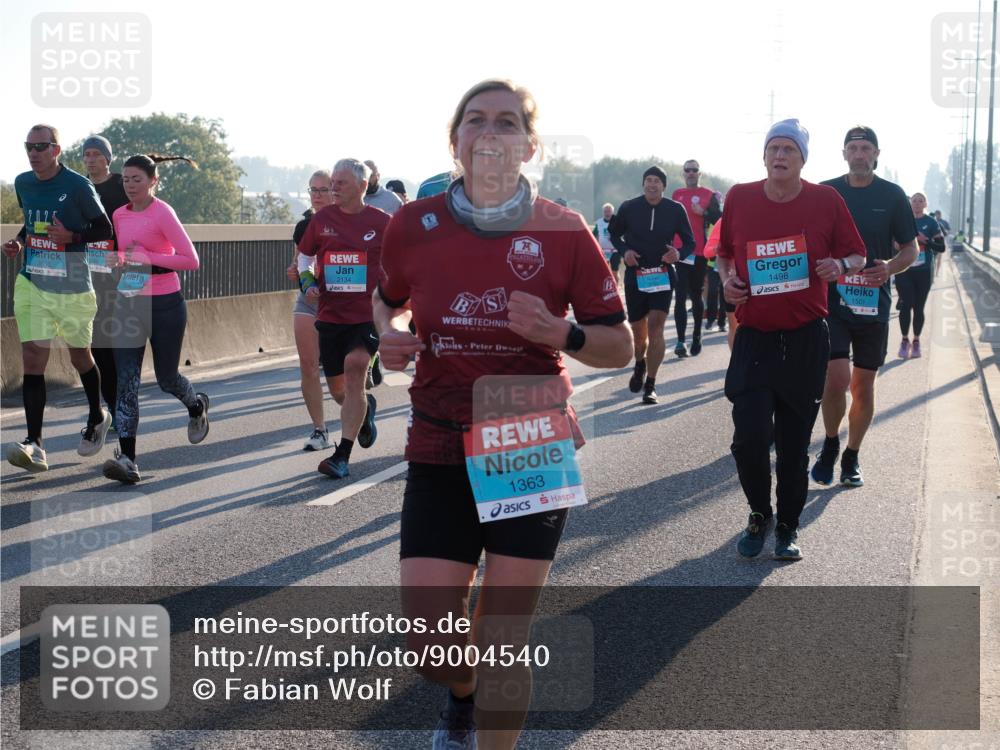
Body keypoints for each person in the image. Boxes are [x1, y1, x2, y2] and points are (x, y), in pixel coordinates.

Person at [374, 79, 631, 750]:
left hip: (527, 431)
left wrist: (563, 334)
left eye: (508, 122)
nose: (491, 133)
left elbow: (619, 344)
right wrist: (391, 332)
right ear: (455, 140)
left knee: (503, 634)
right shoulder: (413, 224)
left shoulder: (565, 231)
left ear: (529, 145)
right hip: (439, 435)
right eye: (476, 120)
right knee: (433, 641)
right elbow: (387, 300)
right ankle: (462, 696)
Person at [717, 119, 865, 560]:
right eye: (774, 149)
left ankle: (787, 527)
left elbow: (857, 254)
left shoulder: (826, 200)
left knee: (795, 441)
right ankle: (759, 513)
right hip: (755, 338)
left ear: (803, 159)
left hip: (804, 339)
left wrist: (840, 265)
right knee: (749, 437)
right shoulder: (740, 197)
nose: (780, 156)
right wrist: (727, 283)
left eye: (789, 150)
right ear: (764, 156)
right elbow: (724, 254)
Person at [810, 126, 918, 488]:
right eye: (853, 148)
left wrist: (889, 267)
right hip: (833, 301)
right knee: (835, 378)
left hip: (873, 303)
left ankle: (852, 455)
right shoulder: (825, 192)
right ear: (843, 153)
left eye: (865, 148)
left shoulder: (892, 195)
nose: (859, 154)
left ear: (876, 154)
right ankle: (829, 443)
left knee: (864, 387)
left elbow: (910, 248)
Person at [4, 124, 114, 473]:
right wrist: (19, 242)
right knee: (33, 357)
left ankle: (98, 415)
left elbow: (104, 229)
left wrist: (71, 236)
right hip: (33, 282)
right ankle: (35, 443)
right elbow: (30, 223)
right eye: (29, 146)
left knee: (80, 356)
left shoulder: (77, 186)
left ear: (56, 150)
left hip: (73, 286)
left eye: (41, 146)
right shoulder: (23, 183)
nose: (34, 152)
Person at [101, 154, 209, 484]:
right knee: (127, 383)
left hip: (165, 304)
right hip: (129, 303)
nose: (130, 185)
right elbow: (127, 253)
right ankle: (129, 459)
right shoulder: (119, 214)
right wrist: (118, 260)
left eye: (137, 180)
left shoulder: (162, 212)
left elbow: (190, 260)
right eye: (126, 180)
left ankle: (196, 405)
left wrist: (147, 258)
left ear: (153, 182)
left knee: (166, 378)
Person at [297, 159, 386, 479]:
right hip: (331, 315)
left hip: (367, 316)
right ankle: (365, 410)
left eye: (341, 183)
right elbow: (305, 257)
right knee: (339, 392)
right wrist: (307, 281)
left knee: (355, 369)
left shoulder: (383, 222)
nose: (334, 187)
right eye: (332, 182)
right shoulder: (321, 221)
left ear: (362, 186)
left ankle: (342, 456)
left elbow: (401, 262)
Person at [609, 165, 694, 403]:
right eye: (648, 180)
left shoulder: (675, 210)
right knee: (639, 333)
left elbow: (690, 242)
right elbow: (614, 234)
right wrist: (625, 251)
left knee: (656, 328)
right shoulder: (629, 207)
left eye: (657, 181)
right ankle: (639, 363)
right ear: (643, 184)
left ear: (664, 186)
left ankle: (651, 384)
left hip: (663, 275)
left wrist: (677, 254)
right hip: (636, 275)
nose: (652, 184)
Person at [285, 171, 336, 451]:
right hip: (309, 300)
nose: (317, 195)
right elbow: (299, 263)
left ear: (335, 191)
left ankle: (360, 410)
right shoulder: (304, 226)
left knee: (342, 377)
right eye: (312, 190)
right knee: (308, 365)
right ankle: (320, 430)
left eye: (323, 189)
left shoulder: (349, 222)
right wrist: (295, 272)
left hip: (342, 304)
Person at [81, 135, 129, 430]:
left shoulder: (122, 186)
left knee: (115, 347)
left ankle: (120, 405)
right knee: (97, 346)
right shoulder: (78, 187)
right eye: (86, 154)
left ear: (108, 158)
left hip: (119, 278)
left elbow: (138, 220)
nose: (90, 159)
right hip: (85, 276)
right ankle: (111, 408)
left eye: (96, 154)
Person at [672, 159, 722, 356]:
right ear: (683, 173)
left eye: (695, 170)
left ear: (699, 174)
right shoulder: (677, 194)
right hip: (679, 252)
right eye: (688, 170)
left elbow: (719, 220)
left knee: (696, 294)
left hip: (700, 252)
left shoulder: (708, 195)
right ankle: (680, 341)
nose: (691, 173)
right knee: (679, 296)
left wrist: (705, 213)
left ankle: (696, 336)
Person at [896, 193, 944, 360]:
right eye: (914, 200)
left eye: (920, 200)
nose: (917, 203)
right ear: (910, 203)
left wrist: (926, 241)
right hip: (904, 270)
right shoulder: (902, 219)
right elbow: (892, 242)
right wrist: (895, 245)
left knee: (918, 307)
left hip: (924, 271)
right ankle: (904, 340)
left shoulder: (931, 222)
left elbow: (942, 247)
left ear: (925, 204)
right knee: (905, 304)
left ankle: (916, 341)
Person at [592, 202, 621, 285]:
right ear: (603, 212)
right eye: (605, 211)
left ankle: (616, 290)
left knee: (614, 271)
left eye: (609, 211)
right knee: (603, 271)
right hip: (603, 251)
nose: (607, 213)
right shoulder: (599, 222)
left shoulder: (618, 221)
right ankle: (604, 290)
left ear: (612, 212)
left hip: (615, 251)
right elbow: (593, 235)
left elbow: (623, 234)